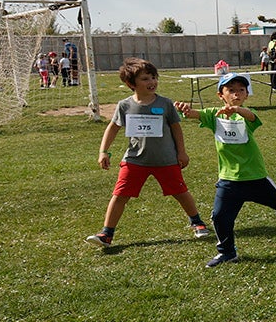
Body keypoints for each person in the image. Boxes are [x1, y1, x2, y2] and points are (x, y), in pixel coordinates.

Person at [174, 74, 276, 268]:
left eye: (241, 90)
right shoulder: (213, 115)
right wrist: (185, 110)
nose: (236, 93)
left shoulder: (246, 114)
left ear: (247, 94)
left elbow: (252, 116)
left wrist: (236, 109)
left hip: (256, 177)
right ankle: (227, 252)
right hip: (229, 180)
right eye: (231, 90)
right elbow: (194, 114)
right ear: (220, 95)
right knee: (220, 217)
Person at [86, 58, 210, 248]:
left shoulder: (165, 104)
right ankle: (106, 234)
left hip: (166, 160)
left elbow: (176, 128)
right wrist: (103, 151)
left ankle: (197, 222)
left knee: (180, 192)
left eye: (153, 77)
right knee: (120, 195)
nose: (151, 82)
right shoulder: (124, 106)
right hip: (135, 160)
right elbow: (112, 128)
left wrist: (182, 152)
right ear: (131, 84)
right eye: (145, 79)